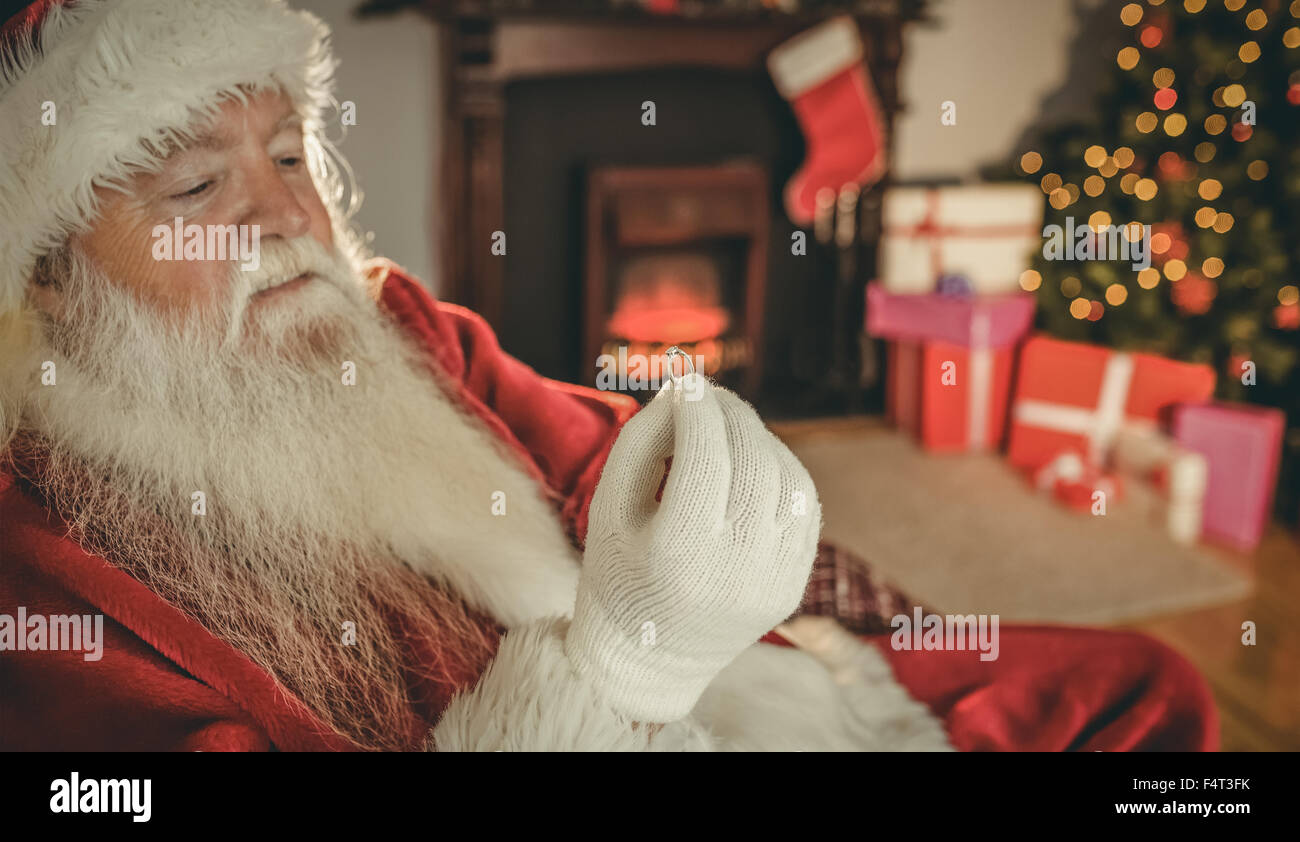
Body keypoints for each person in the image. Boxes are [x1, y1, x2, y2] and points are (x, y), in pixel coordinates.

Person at [0, 0, 1217, 752]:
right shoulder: (52, 568)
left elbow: (594, 448)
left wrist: (705, 470)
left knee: (1138, 683)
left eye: (285, 154)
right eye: (196, 188)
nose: (284, 216)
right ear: (51, 272)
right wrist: (617, 667)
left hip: (726, 687)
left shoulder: (406, 327)